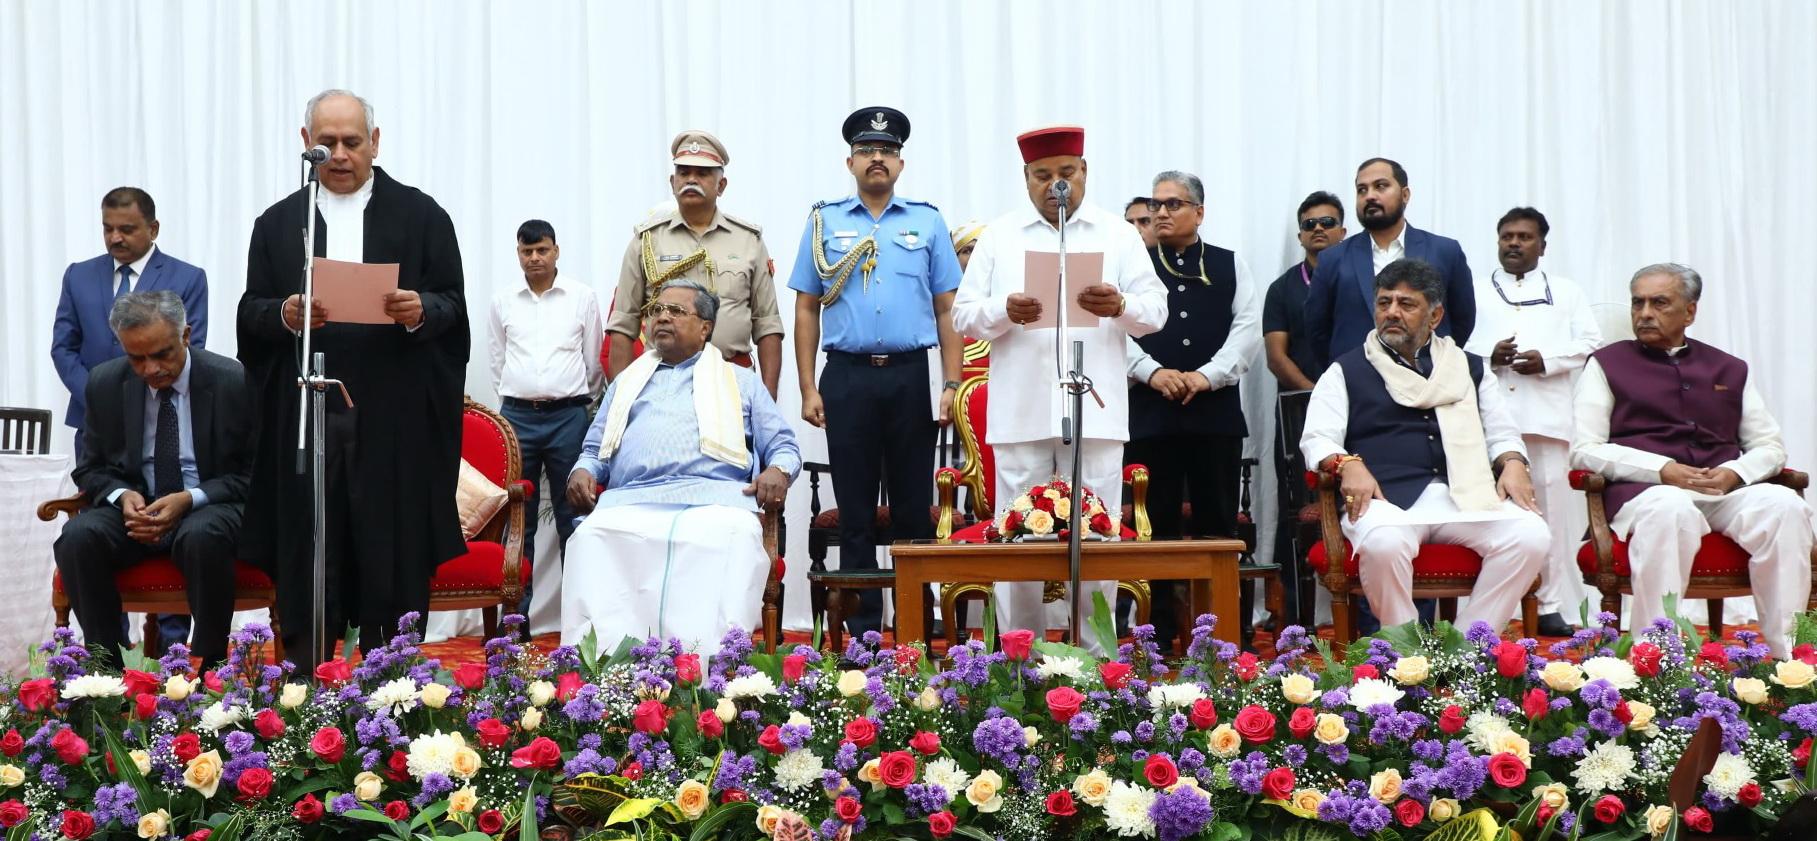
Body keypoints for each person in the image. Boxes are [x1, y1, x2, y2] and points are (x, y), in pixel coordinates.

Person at [237, 89, 469, 667]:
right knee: (310, 548)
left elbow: (453, 307)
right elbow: (249, 313)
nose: (339, 155)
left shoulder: (421, 216)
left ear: (375, 143)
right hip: (306, 414)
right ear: (305, 144)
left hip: (391, 421)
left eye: (351, 142)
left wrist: (421, 310)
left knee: (389, 547)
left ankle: (391, 684)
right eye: (327, 143)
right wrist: (283, 314)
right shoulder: (279, 223)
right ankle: (306, 681)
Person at [952, 125, 1168, 640]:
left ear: (1084, 172)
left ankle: (1097, 660)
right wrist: (1002, 311)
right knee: (1018, 538)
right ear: (1025, 177)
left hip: (1095, 410)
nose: (1056, 185)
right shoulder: (1001, 235)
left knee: (1097, 537)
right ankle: (1018, 658)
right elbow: (963, 315)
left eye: (1066, 173)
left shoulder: (1117, 234)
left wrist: (1120, 305)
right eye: (1042, 175)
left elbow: (1156, 311)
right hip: (1021, 411)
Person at [1571, 263, 1813, 657]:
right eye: (1637, 303)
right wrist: (1660, 470)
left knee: (1785, 505)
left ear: (1690, 311)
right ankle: (1653, 658)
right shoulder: (1606, 364)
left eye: (1659, 303)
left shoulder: (1729, 368)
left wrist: (1734, 473)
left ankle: (1790, 659)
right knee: (1671, 509)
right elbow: (1585, 448)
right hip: (1648, 493)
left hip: (1723, 492)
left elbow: (1769, 445)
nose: (1644, 313)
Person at [788, 107, 964, 636]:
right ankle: (863, 629)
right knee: (856, 507)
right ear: (851, 162)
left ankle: (916, 623)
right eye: (866, 150)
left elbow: (947, 309)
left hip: (911, 377)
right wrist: (806, 386)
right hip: (847, 378)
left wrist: (951, 383)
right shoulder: (824, 222)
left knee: (913, 506)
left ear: (900, 163)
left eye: (886, 150)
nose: (877, 158)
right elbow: (806, 308)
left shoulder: (927, 222)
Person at [1299, 259, 1548, 631]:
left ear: (1435, 316)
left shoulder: (1469, 368)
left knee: (1531, 535)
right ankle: (1407, 649)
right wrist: (1348, 463)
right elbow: (1317, 437)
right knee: (1384, 543)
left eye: (1406, 304)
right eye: (1384, 303)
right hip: (1384, 501)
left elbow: (1502, 432)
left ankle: (1467, 647)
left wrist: (1513, 461)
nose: (1392, 312)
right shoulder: (1345, 370)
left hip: (1463, 496)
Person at [563, 280, 800, 653]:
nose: (662, 317)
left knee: (734, 536)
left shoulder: (740, 381)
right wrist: (583, 471)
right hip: (632, 501)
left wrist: (778, 471)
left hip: (716, 500)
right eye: (657, 310)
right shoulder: (626, 382)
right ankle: (606, 668)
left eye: (676, 311)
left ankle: (716, 665)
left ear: (705, 327)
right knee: (590, 538)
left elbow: (784, 446)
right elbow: (594, 450)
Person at [54, 292, 252, 667]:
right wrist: (122, 495)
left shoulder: (232, 381)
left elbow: (252, 474)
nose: (150, 369)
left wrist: (189, 499)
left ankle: (211, 668)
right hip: (135, 512)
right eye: (137, 358)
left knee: (203, 534)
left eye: (162, 354)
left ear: (186, 336)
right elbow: (90, 468)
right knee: (77, 537)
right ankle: (106, 671)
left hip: (207, 506)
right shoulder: (105, 383)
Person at [51, 187, 211, 650]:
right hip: (98, 427)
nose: (115, 238)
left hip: (167, 418)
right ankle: (112, 649)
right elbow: (63, 347)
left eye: (126, 229)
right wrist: (103, 399)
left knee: (174, 522)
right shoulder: (79, 276)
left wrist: (136, 390)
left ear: (152, 229)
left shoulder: (186, 276)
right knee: (103, 529)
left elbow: (191, 349)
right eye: (107, 229)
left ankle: (171, 644)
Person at [1123, 171, 1260, 651]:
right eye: (1156, 204)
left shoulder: (1228, 263)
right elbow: (1111, 329)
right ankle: (1155, 638)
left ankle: (1222, 636)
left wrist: (1208, 376)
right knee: (1153, 528)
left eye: (1173, 204)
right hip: (1150, 412)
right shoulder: (1132, 265)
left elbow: (1247, 329)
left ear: (1199, 212)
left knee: (1217, 525)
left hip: (1213, 414)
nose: (1161, 212)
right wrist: (1151, 371)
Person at [1463, 208, 1599, 635]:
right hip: (1487, 421)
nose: (1514, 243)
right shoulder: (1473, 291)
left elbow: (1591, 342)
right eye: (1507, 236)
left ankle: (1550, 605)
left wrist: (1548, 360)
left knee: (1550, 516)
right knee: (1484, 512)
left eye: (1524, 237)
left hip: (1545, 418)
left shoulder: (1567, 291)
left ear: (1542, 245)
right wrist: (1489, 355)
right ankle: (1486, 609)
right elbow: (1452, 344)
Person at [606, 131, 784, 397]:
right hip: (662, 382)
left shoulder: (748, 241)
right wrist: (621, 401)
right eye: (684, 172)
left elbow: (767, 324)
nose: (691, 179)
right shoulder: (647, 240)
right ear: (672, 182)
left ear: (721, 185)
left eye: (702, 173)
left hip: (731, 379)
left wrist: (767, 398)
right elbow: (623, 324)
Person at [487, 219, 603, 617]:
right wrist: (522, 395)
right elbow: (498, 361)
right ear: (518, 253)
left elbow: (592, 364)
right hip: (517, 418)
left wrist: (572, 401)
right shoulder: (503, 301)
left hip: (568, 417)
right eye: (527, 251)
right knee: (519, 517)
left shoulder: (582, 297)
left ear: (556, 251)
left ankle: (578, 617)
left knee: (574, 512)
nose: (534, 258)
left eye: (542, 250)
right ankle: (515, 620)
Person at [1262, 191, 1346, 625]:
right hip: (1299, 411)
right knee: (1296, 512)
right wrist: (1320, 396)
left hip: (1358, 410)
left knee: (1360, 503)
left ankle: (1364, 609)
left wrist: (1342, 397)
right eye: (1309, 224)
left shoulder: (1360, 281)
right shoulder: (1283, 289)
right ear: (1299, 235)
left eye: (1327, 222)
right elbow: (1276, 357)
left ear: (1343, 231)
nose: (1318, 229)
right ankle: (1295, 615)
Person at [1305, 158, 1474, 368]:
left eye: (1381, 186)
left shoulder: (1445, 251)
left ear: (1405, 195)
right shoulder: (1333, 259)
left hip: (1428, 377)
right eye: (1362, 190)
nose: (1370, 196)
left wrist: (1434, 363)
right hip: (1357, 378)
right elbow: (1317, 330)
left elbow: (1463, 320)